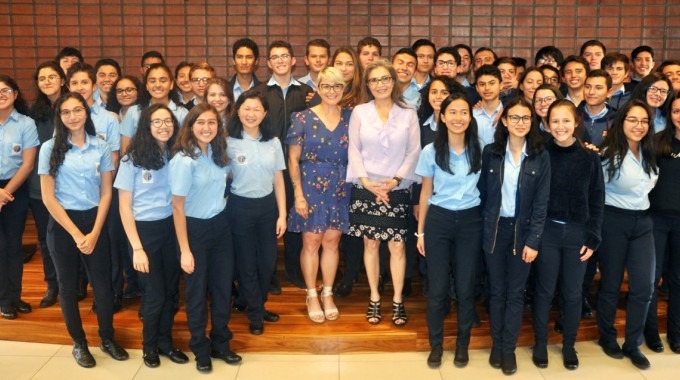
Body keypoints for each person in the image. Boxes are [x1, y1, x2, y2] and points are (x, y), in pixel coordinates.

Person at [39, 92, 128, 367]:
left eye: (78, 110)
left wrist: (94, 231)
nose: (73, 116)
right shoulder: (49, 148)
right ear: (60, 117)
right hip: (64, 225)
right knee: (67, 288)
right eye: (66, 112)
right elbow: (48, 198)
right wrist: (77, 235)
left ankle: (107, 337)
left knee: (103, 287)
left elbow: (106, 193)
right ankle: (79, 343)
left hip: (95, 222)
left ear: (86, 113)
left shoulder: (99, 147)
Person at [478, 97, 550, 375]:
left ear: (531, 123)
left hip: (524, 233)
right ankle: (497, 344)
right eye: (515, 117)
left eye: (526, 118)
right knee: (497, 291)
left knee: (516, 293)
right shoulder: (491, 153)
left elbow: (542, 203)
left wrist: (534, 241)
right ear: (504, 121)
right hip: (495, 231)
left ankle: (508, 349)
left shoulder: (540, 155)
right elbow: (484, 194)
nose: (520, 123)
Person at [531, 99, 604, 370]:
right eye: (555, 121)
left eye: (566, 120)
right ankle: (540, 342)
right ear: (547, 125)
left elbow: (597, 200)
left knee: (573, 294)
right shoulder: (540, 154)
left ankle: (569, 345)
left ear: (576, 123)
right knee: (544, 290)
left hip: (577, 234)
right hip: (547, 232)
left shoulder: (590, 158)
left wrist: (593, 237)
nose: (560, 126)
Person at [346, 60, 421, 327]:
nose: (380, 84)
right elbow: (353, 149)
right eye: (374, 80)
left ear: (393, 81)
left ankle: (398, 300)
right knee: (370, 243)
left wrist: (396, 180)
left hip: (397, 187)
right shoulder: (359, 112)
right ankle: (375, 297)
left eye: (384, 79)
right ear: (367, 85)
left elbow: (414, 151)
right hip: (366, 186)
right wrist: (367, 182)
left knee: (398, 246)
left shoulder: (408, 113)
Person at [115, 104, 188, 368]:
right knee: (154, 294)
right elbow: (124, 206)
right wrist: (136, 248)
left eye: (168, 121)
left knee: (170, 293)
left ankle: (166, 343)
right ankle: (149, 348)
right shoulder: (131, 158)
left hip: (171, 228)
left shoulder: (177, 154)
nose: (163, 126)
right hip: (144, 232)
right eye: (156, 121)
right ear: (146, 126)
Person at [169, 103, 240, 373]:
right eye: (201, 123)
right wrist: (185, 250)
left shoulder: (219, 155)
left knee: (222, 289)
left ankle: (221, 343)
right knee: (197, 293)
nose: (207, 127)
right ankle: (200, 348)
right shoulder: (183, 160)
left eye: (212, 122)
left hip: (221, 227)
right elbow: (177, 207)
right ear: (190, 126)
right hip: (194, 230)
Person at [416, 93, 482, 369]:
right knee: (438, 289)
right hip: (439, 221)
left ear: (470, 117)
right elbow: (425, 191)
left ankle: (462, 345)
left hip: (470, 221)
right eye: (452, 112)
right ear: (442, 117)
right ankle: (436, 346)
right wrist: (420, 233)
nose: (458, 118)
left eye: (463, 112)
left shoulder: (481, 147)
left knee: (466, 288)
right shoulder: (431, 151)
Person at [596, 99, 658, 370]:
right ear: (622, 122)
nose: (638, 125)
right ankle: (607, 336)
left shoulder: (650, 150)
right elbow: (596, 193)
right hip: (614, 221)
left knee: (644, 287)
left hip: (643, 223)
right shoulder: (609, 152)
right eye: (632, 119)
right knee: (610, 284)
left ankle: (633, 343)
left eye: (644, 121)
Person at [286, 67, 351, 323]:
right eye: (327, 86)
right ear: (318, 88)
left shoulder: (351, 117)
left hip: (340, 185)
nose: (332, 91)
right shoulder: (301, 118)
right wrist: (298, 194)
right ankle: (311, 293)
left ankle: (327, 293)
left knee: (332, 242)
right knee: (311, 242)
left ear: (343, 89)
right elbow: (293, 160)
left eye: (337, 86)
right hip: (310, 185)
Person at [252, 40, 313, 291]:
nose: (280, 61)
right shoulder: (260, 93)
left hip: (299, 166)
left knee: (295, 220)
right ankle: (270, 276)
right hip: (268, 167)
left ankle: (293, 271)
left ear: (293, 60)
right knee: (270, 221)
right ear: (268, 63)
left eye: (284, 56)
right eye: (275, 57)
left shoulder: (306, 93)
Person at [227, 91, 286, 334]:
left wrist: (282, 214)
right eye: (246, 108)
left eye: (256, 109)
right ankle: (256, 313)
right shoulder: (227, 142)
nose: (251, 114)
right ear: (238, 111)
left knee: (267, 263)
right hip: (239, 208)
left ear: (264, 114)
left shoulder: (273, 142)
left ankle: (255, 304)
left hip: (267, 208)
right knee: (247, 264)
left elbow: (279, 179)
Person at [0, 75, 39, 320]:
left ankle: (14, 296)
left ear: (15, 93)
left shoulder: (26, 123)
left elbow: (27, 164)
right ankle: (4, 299)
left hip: (16, 189)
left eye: (5, 90)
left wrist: (5, 193)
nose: (1, 94)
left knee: (14, 246)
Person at [27, 61, 65, 309]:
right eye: (42, 78)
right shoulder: (32, 113)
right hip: (40, 186)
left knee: (73, 235)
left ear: (62, 80)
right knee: (46, 237)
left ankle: (77, 282)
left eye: (52, 76)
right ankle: (53, 283)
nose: (47, 81)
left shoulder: (74, 107)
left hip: (71, 185)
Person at [647, 91, 680, 355]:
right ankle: (651, 332)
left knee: (678, 280)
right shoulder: (658, 142)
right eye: (677, 110)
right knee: (652, 278)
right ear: (670, 115)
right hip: (656, 220)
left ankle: (676, 332)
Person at [120, 63, 189, 154]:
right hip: (140, 165)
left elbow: (186, 147)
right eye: (152, 81)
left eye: (163, 81)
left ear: (171, 84)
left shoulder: (182, 113)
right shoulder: (134, 112)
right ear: (147, 86)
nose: (157, 85)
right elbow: (125, 149)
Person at [577, 70, 617, 146]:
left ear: (609, 93)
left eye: (598, 88)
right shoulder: (573, 115)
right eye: (588, 87)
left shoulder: (617, 120)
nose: (591, 92)